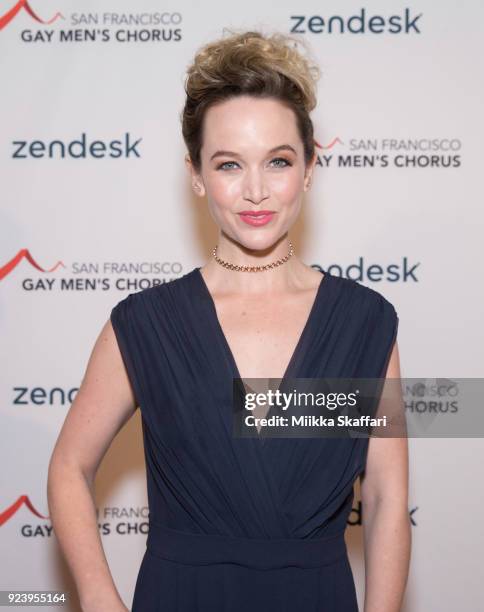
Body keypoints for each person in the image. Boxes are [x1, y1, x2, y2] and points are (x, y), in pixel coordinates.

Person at [47, 30, 411, 612]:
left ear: (311, 166)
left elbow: (389, 496)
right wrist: (96, 597)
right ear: (196, 175)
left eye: (278, 161)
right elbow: (69, 465)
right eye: (228, 164)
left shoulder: (364, 323)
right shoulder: (145, 324)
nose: (256, 190)